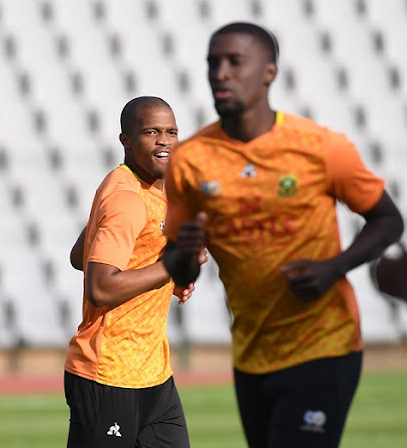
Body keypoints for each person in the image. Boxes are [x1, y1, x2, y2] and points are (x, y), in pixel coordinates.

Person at [162, 22, 404, 448]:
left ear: (268, 72)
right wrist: (185, 254)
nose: (220, 73)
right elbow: (181, 271)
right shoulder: (190, 160)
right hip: (252, 351)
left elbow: (388, 220)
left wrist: (334, 268)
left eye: (235, 62)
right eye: (213, 63)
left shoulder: (318, 146)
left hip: (324, 343)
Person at [64, 96, 195, 448]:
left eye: (171, 131)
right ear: (125, 139)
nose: (165, 140)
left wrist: (170, 276)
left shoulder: (150, 188)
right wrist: (170, 266)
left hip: (153, 374)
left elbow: (81, 255)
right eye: (151, 131)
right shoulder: (126, 197)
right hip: (109, 374)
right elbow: (101, 288)